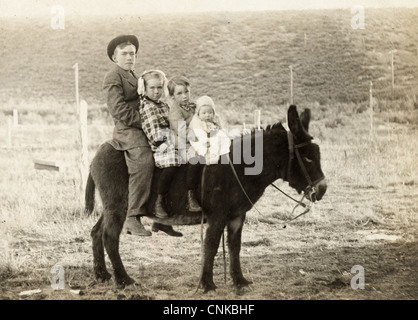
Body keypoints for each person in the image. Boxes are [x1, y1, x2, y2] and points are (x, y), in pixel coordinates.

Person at [103, 35, 153, 236]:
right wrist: (145, 123)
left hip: (141, 126)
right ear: (115, 58)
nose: (129, 57)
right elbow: (118, 110)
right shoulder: (114, 76)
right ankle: (132, 217)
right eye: (124, 54)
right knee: (144, 161)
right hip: (128, 130)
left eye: (132, 54)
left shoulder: (132, 75)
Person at [138, 70, 181, 220]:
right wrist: (175, 140)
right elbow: (156, 134)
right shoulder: (148, 106)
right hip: (161, 146)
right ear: (144, 89)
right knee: (173, 163)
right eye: (152, 88)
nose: (156, 92)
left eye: (159, 88)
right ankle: (159, 201)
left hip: (172, 141)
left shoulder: (163, 105)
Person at [167, 76, 202, 212]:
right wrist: (200, 137)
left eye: (186, 92)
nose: (184, 96)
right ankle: (191, 195)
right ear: (172, 97)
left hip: (195, 140)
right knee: (196, 159)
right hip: (182, 142)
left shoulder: (192, 107)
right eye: (179, 93)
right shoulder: (176, 110)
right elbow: (182, 131)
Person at [188, 95, 231, 166]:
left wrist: (220, 133)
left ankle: (223, 153)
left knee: (222, 137)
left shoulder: (215, 120)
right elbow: (198, 133)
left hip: (211, 137)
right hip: (200, 140)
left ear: (213, 113)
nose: (207, 115)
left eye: (210, 112)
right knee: (200, 142)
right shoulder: (197, 122)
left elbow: (220, 128)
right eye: (204, 113)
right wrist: (205, 140)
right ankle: (209, 156)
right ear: (198, 114)